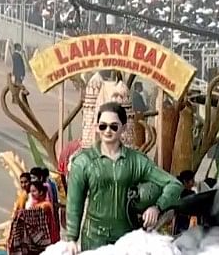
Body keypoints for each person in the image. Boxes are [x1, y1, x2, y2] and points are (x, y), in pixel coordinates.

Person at [63, 102, 182, 253]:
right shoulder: (83, 162)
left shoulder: (136, 161)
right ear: (96, 127)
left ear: (123, 128)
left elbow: (174, 184)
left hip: (127, 238)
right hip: (93, 237)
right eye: (102, 126)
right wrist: (72, 238)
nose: (107, 131)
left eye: (114, 126)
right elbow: (74, 202)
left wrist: (157, 207)